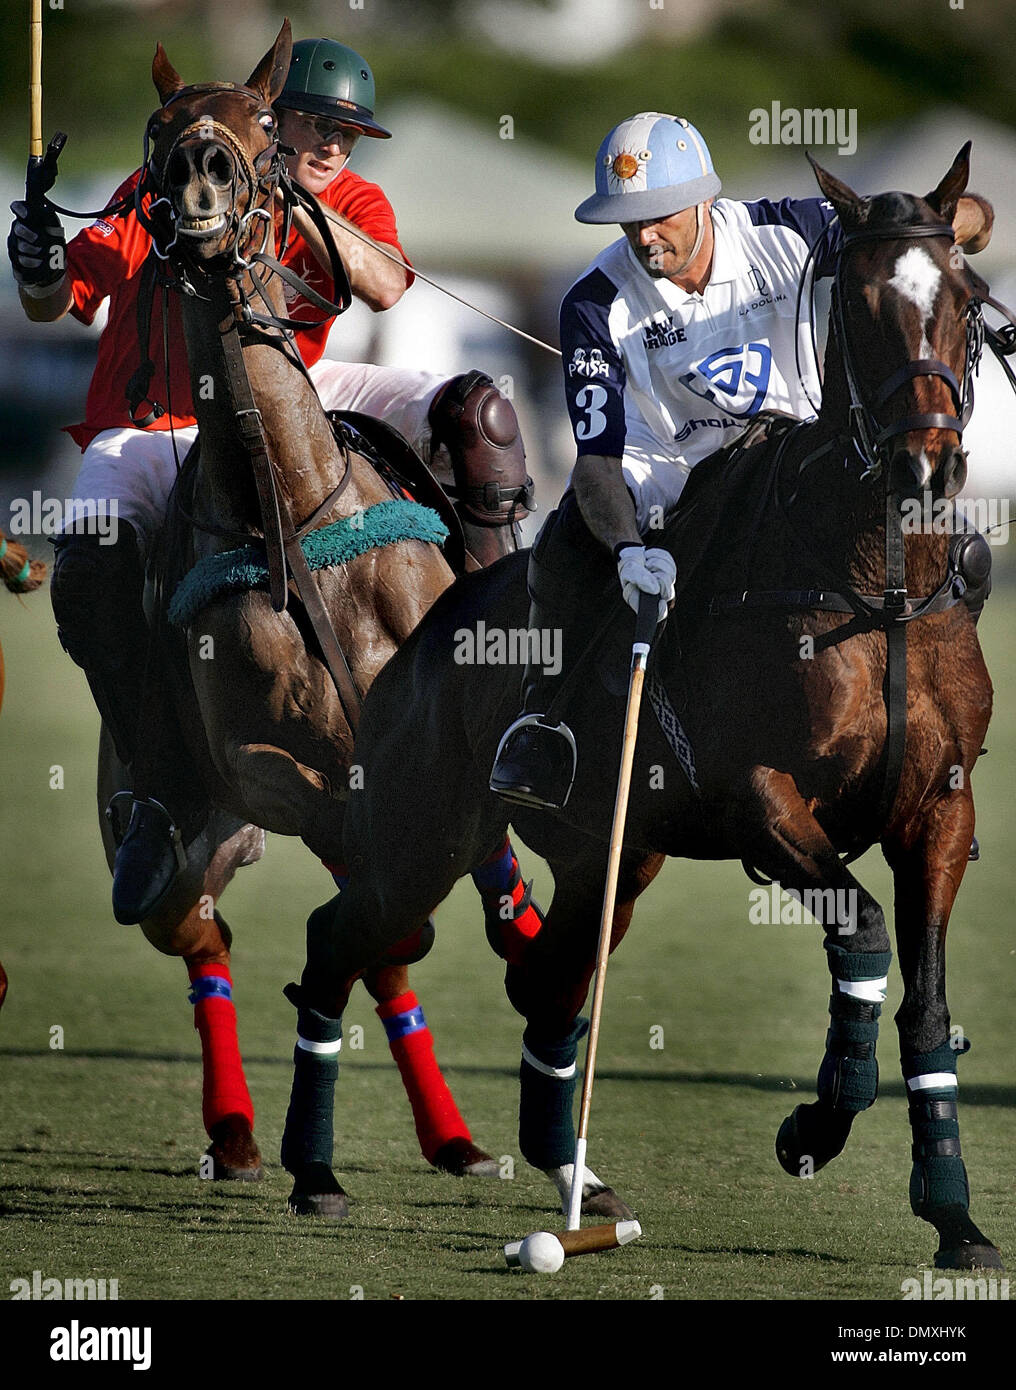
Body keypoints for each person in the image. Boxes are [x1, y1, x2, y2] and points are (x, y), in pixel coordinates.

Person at [8, 37, 533, 920]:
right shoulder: (170, 186)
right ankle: (159, 784)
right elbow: (61, 296)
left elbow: (387, 285)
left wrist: (288, 190)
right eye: (316, 127)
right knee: (91, 559)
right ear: (272, 118)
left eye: (347, 135)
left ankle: (503, 669)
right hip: (154, 424)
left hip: (299, 393)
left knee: (479, 413)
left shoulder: (341, 194)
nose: (334, 145)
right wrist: (40, 266)